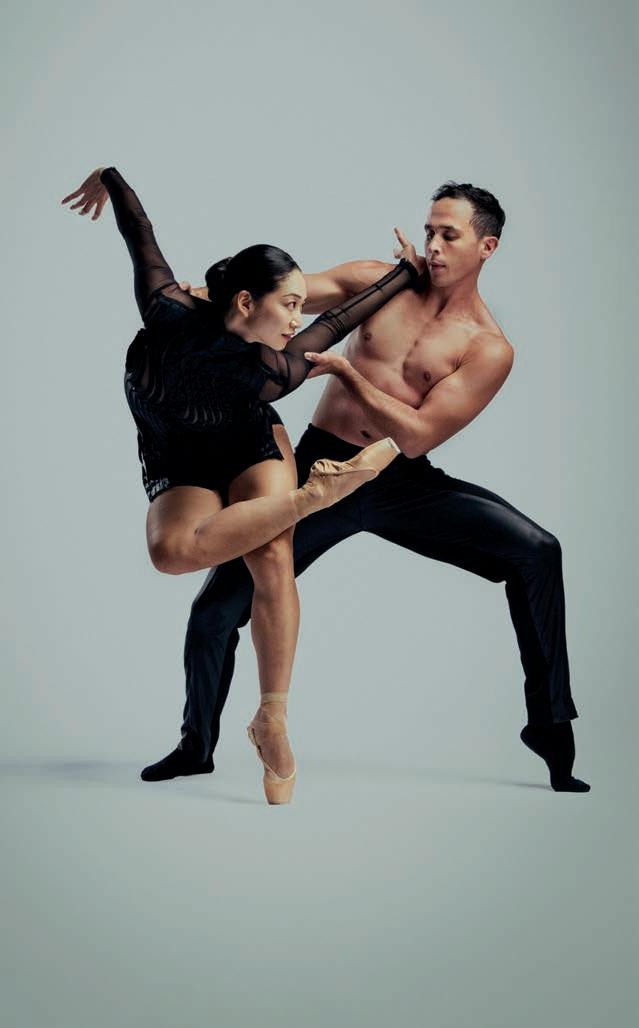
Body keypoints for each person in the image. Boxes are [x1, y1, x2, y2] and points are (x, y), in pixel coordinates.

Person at [143, 180, 590, 795]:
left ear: (486, 247)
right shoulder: (380, 281)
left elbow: (417, 437)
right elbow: (284, 296)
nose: (433, 246)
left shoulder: (488, 348)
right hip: (319, 467)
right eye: (429, 231)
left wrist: (347, 372)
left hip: (396, 478)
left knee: (538, 551)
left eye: (449, 235)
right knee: (216, 609)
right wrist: (196, 301)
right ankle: (196, 745)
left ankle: (551, 729)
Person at [61, 166, 422, 802]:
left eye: (301, 304)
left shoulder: (272, 370)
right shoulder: (168, 308)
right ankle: (311, 498)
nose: (299, 317)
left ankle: (271, 720)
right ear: (247, 302)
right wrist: (109, 178)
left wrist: (406, 275)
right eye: (289, 304)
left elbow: (340, 319)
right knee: (170, 552)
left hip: (248, 447)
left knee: (272, 557)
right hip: (179, 456)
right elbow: (139, 232)